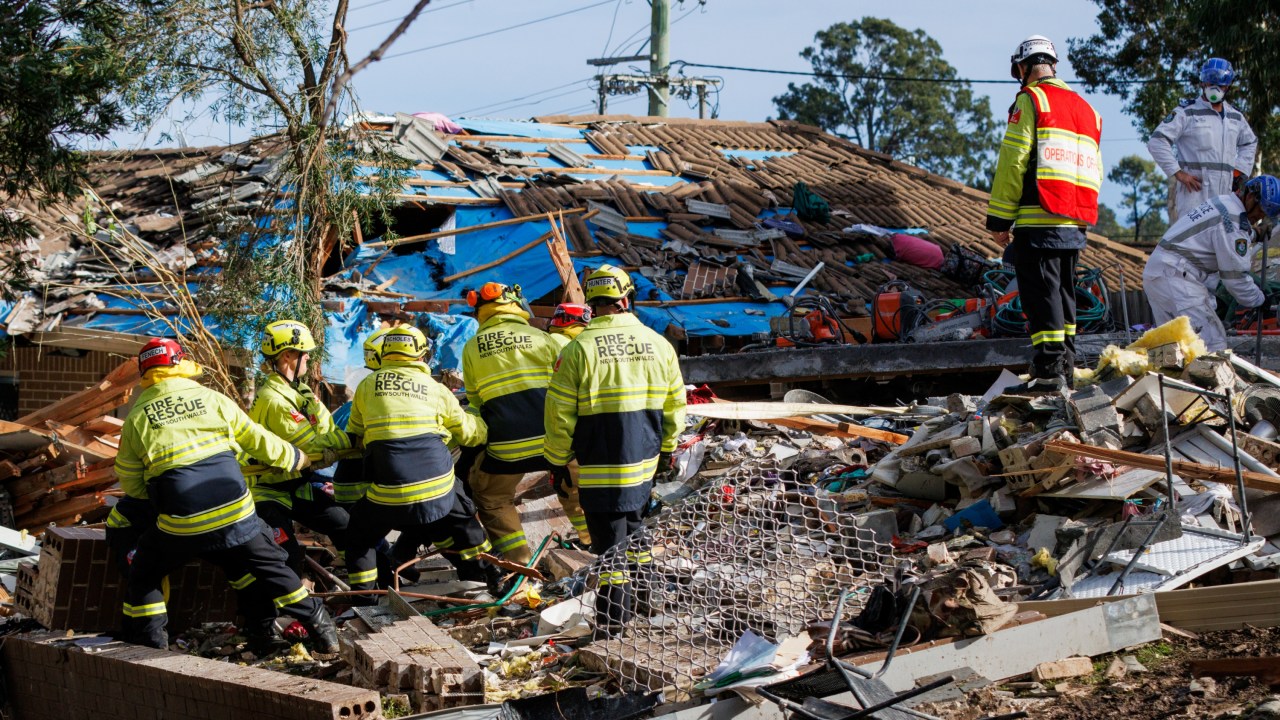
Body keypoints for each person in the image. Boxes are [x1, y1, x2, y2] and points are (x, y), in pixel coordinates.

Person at [114, 338, 339, 652]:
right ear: (181, 363)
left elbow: (130, 481)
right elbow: (255, 438)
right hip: (236, 511)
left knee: (145, 573)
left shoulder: (136, 418)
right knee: (271, 567)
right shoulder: (211, 398)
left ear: (145, 373)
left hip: (182, 521)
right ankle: (322, 630)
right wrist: (295, 458)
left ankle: (153, 647)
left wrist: (157, 501)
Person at [543, 264, 686, 634]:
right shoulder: (660, 345)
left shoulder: (577, 351)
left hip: (599, 470)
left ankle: (612, 627)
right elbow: (675, 407)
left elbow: (559, 415)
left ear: (591, 304)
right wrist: (668, 450)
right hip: (644, 465)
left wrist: (557, 462)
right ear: (626, 299)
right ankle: (643, 605)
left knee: (609, 550)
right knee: (636, 533)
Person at [343, 325, 510, 598]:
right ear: (422, 355)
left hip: (387, 491)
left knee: (359, 535)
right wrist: (479, 413)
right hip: (437, 490)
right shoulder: (436, 390)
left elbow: (357, 433)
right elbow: (471, 436)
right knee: (462, 516)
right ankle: (490, 570)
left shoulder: (365, 387)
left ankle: (363, 598)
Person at [986, 35, 1103, 392]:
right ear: (1053, 65)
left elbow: (1013, 162)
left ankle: (1049, 373)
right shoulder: (1086, 109)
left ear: (1023, 68)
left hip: (1039, 219)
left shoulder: (1031, 99)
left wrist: (999, 221)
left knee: (1041, 297)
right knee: (1064, 295)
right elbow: (1095, 170)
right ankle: (1065, 366)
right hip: (1073, 221)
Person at [461, 283, 558, 565]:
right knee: (574, 486)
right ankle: (592, 548)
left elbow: (476, 401)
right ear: (515, 304)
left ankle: (518, 564)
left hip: (506, 448)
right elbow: (565, 390)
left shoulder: (471, 348)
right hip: (553, 443)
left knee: (491, 496)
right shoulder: (542, 337)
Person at [247, 320, 350, 575]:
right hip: (269, 489)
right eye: (305, 354)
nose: (308, 360)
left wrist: (333, 438)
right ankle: (282, 613)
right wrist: (350, 442)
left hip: (294, 482)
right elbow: (313, 444)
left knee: (344, 524)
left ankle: (364, 590)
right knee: (285, 555)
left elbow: (328, 430)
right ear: (288, 356)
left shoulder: (299, 392)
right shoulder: (275, 401)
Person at [1143, 176, 1280, 351]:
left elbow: (1220, 234)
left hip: (1160, 273)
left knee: (1171, 347)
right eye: (1260, 212)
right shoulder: (1233, 221)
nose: (1258, 218)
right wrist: (1260, 300)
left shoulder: (1223, 202)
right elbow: (1235, 279)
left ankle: (1165, 378)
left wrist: (1253, 234)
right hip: (1177, 279)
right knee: (1212, 344)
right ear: (1251, 198)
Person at [1147, 58, 1258, 221]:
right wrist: (1178, 173)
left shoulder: (1235, 116)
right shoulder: (1186, 112)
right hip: (1195, 198)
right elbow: (1157, 141)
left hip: (1225, 197)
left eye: (1220, 86)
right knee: (1193, 243)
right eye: (1210, 84)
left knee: (1220, 242)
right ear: (1202, 84)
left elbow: (1249, 142)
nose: (1214, 89)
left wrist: (1238, 172)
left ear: (1227, 86)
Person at [544, 302, 594, 546]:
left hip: (569, 435)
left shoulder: (558, 344)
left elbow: (558, 407)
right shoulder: (591, 346)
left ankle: (588, 540)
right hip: (601, 432)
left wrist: (557, 459)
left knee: (569, 492)